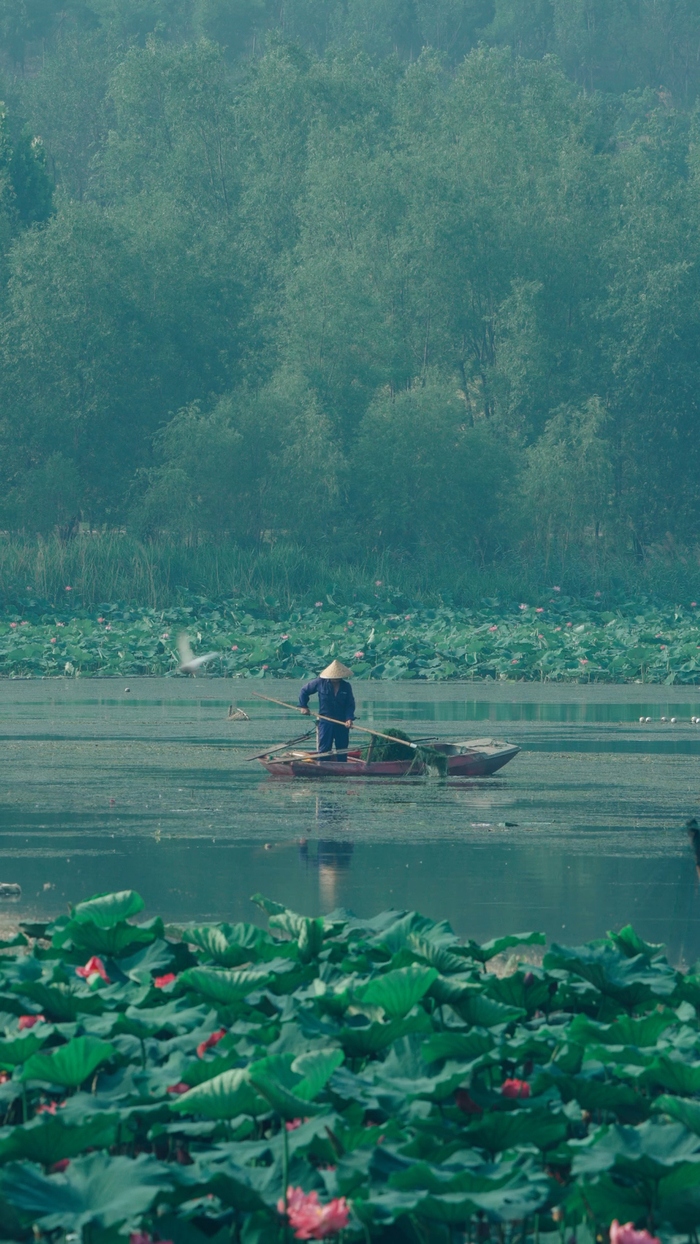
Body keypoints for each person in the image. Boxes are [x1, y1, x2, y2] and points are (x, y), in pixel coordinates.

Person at [299, 660, 355, 762]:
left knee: (342, 750)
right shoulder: (320, 682)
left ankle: (342, 772)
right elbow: (304, 691)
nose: (335, 678)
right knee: (324, 749)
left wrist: (349, 718)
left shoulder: (346, 686)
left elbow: (350, 704)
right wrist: (304, 706)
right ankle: (323, 772)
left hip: (342, 722)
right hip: (326, 721)